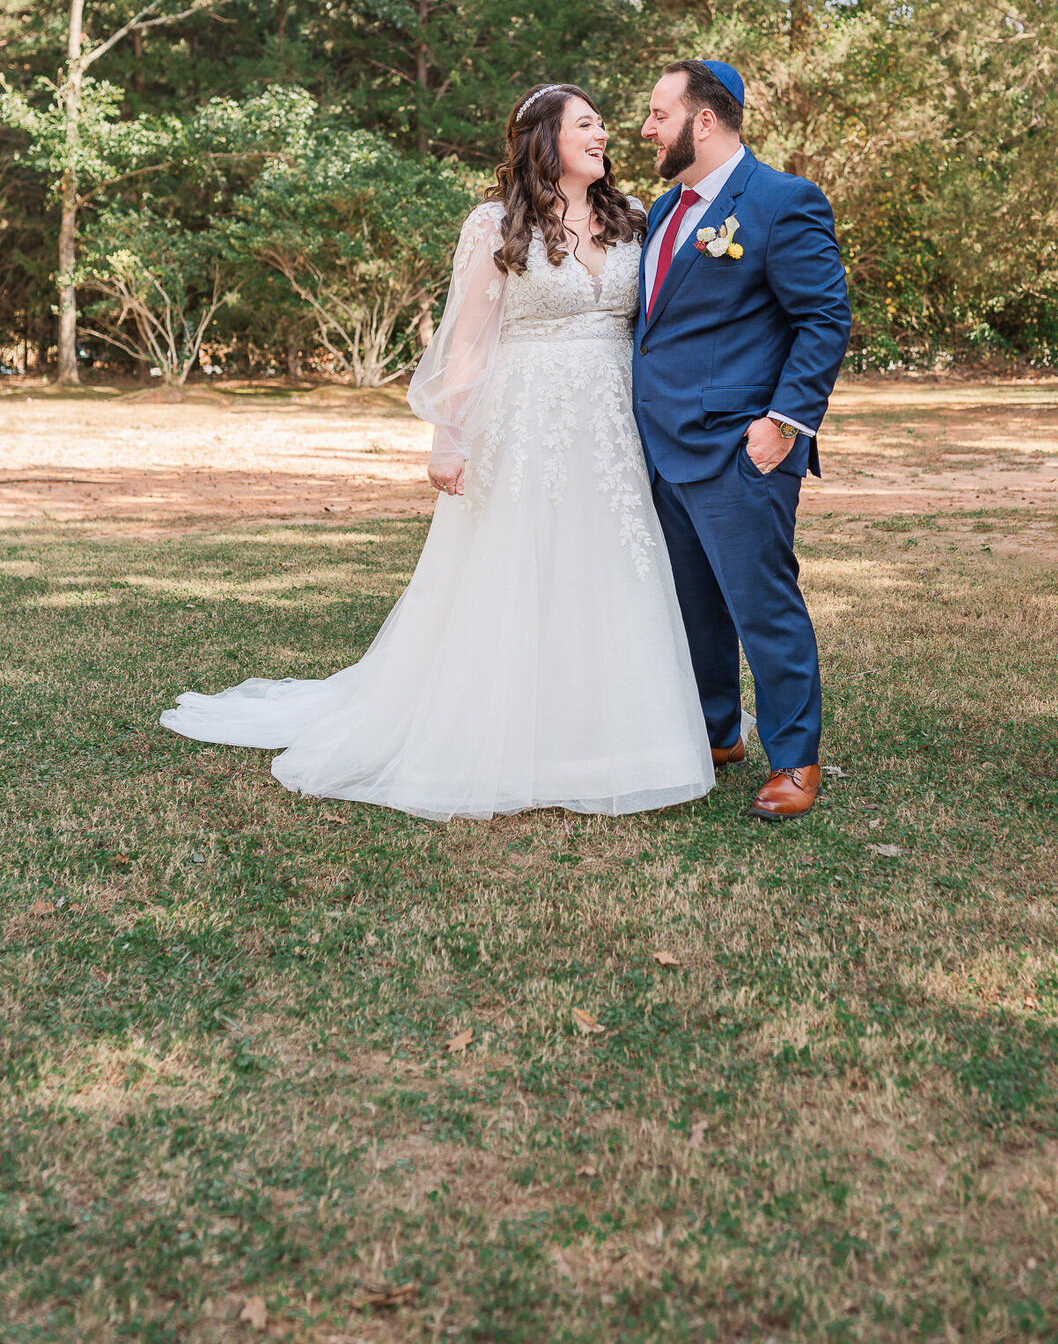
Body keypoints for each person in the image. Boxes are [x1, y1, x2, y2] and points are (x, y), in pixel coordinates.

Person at [160, 84, 714, 821]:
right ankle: (510, 735)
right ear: (544, 138)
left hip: (612, 423)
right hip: (523, 422)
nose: (603, 135)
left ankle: (618, 738)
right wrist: (449, 436)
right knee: (521, 566)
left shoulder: (634, 216)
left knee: (612, 560)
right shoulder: (493, 223)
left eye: (602, 125)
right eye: (586, 124)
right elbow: (468, 343)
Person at [634, 60, 851, 820]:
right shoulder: (665, 211)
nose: (646, 128)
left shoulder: (782, 201)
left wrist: (784, 422)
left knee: (762, 604)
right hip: (662, 449)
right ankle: (718, 730)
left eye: (659, 113)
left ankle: (794, 760)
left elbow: (824, 319)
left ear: (704, 119)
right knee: (695, 605)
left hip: (742, 447)